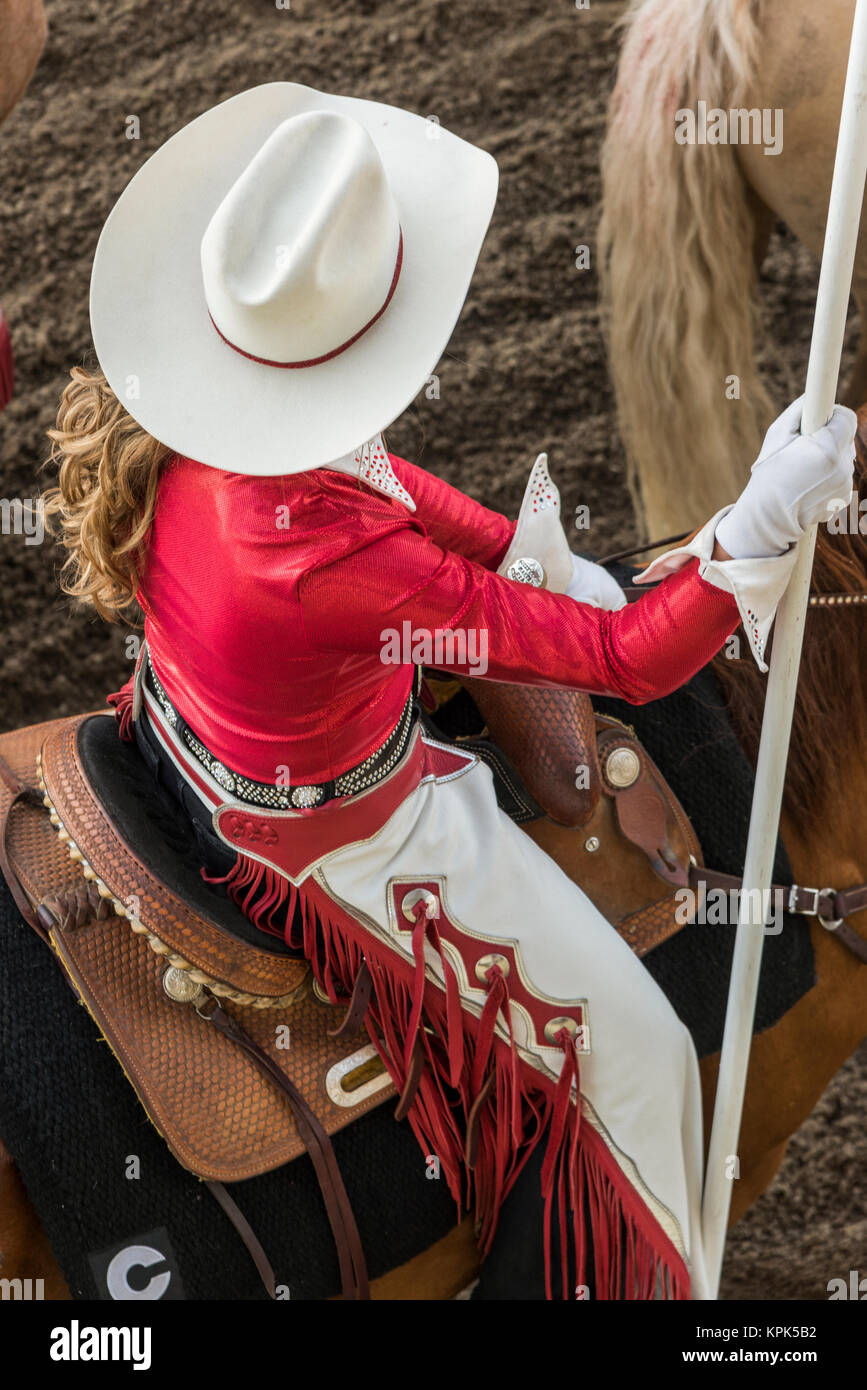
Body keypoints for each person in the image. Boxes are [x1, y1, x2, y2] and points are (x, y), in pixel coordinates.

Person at [42, 83, 855, 1300]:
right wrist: (748, 533)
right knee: (635, 1069)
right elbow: (631, 661)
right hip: (337, 837)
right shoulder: (328, 559)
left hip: (196, 730)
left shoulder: (204, 416)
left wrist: (545, 566)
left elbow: (406, 495)